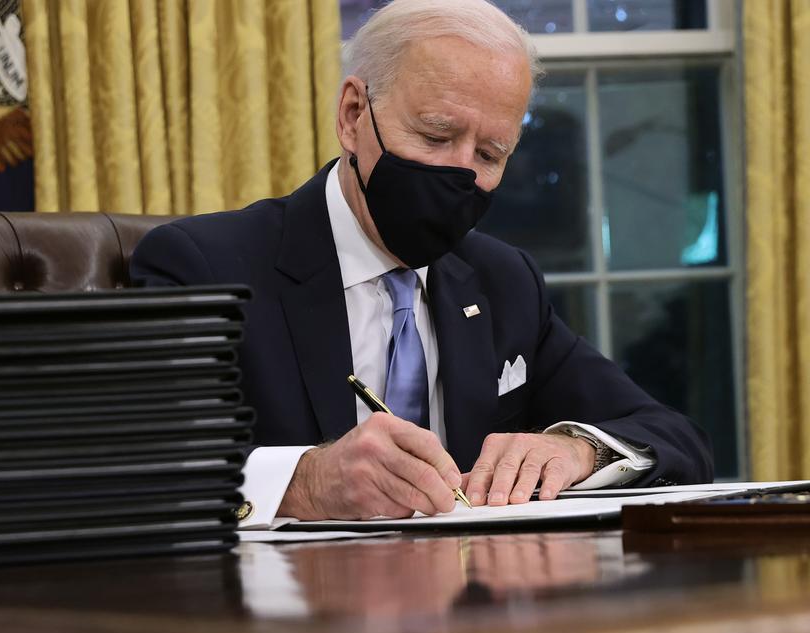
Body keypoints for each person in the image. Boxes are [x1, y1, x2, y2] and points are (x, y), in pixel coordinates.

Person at [130, 0, 713, 525]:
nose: (460, 173)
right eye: (435, 137)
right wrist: (302, 484)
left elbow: (673, 436)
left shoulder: (503, 281)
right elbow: (135, 468)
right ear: (354, 115)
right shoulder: (205, 267)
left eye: (489, 154)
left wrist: (574, 448)